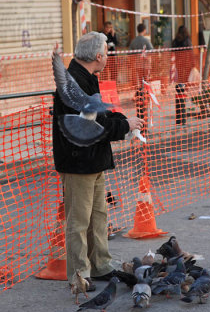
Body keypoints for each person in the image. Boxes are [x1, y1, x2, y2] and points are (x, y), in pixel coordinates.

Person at [53, 32, 144, 290]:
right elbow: (90, 124)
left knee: (99, 216)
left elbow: (99, 117)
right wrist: (124, 125)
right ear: (98, 56)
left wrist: (122, 123)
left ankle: (101, 264)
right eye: (107, 51)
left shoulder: (86, 77)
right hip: (78, 162)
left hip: (93, 159)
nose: (108, 56)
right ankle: (80, 275)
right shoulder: (74, 82)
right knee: (79, 221)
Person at [129, 23, 153, 125]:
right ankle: (145, 95)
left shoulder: (134, 41)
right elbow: (152, 50)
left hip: (137, 64)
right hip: (145, 64)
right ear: (144, 30)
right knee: (145, 80)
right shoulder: (146, 40)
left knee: (139, 80)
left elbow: (130, 52)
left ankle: (139, 94)